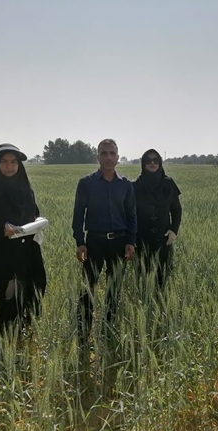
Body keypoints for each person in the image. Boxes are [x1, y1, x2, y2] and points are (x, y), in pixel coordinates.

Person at [0, 143, 46, 332]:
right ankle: (2, 336)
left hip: (24, 254)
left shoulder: (26, 190)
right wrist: (1, 230)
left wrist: (38, 222)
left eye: (13, 162)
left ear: (19, 165)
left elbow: (32, 213)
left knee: (25, 292)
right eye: (4, 161)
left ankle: (20, 333)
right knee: (4, 298)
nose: (9, 166)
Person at [72, 138, 137, 346]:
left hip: (118, 242)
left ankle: (107, 333)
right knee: (87, 290)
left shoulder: (125, 185)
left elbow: (131, 215)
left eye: (112, 153)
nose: (108, 157)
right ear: (97, 157)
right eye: (104, 153)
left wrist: (131, 241)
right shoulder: (86, 183)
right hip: (94, 243)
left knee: (113, 290)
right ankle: (83, 337)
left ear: (118, 157)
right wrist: (80, 242)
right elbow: (78, 215)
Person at [133, 149, 182, 290]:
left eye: (155, 160)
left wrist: (173, 230)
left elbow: (176, 209)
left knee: (162, 279)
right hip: (141, 239)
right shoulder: (135, 185)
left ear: (160, 162)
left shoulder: (169, 184)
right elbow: (129, 213)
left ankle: (160, 302)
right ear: (143, 164)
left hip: (164, 239)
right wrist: (131, 237)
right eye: (148, 160)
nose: (152, 163)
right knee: (142, 280)